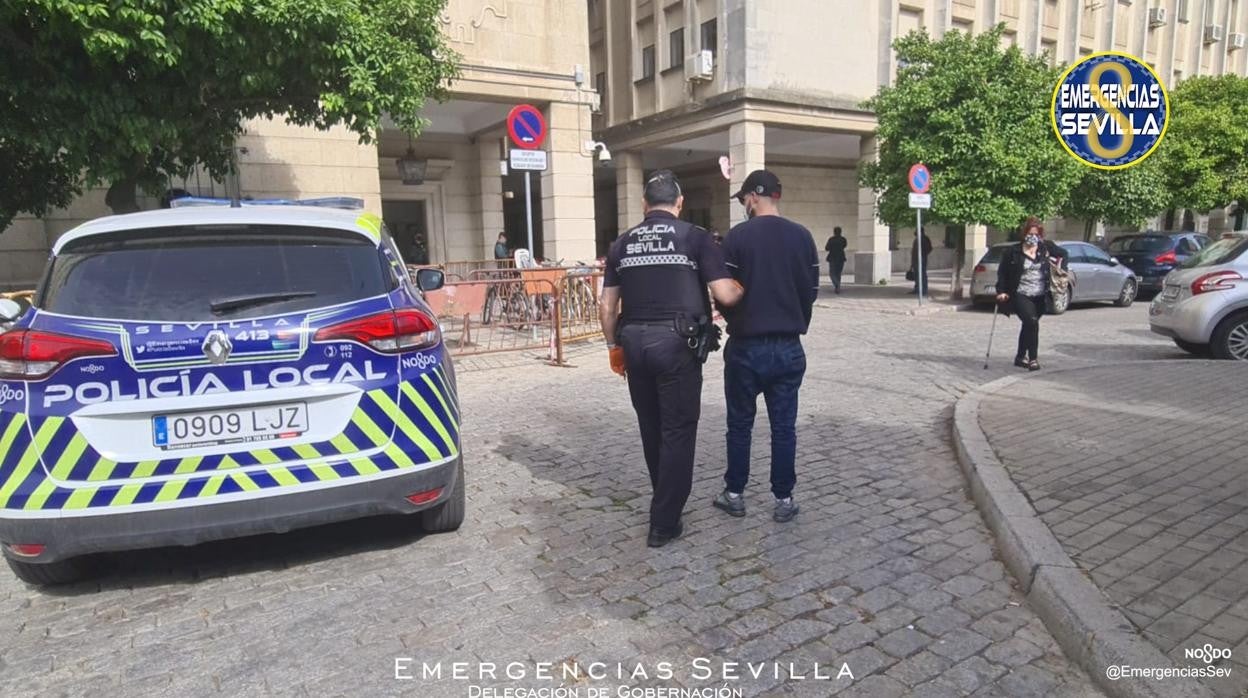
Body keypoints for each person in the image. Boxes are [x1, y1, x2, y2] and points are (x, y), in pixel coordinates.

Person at [598, 170, 744, 548]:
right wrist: (744, 288)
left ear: (645, 205)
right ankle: (664, 521)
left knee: (652, 427)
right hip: (677, 346)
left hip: (633, 345)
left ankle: (663, 498)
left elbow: (607, 306)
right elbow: (725, 295)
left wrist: (613, 346)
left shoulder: (621, 244)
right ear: (678, 204)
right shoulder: (695, 238)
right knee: (678, 431)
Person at [714, 170, 819, 523]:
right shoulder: (802, 237)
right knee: (784, 426)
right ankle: (784, 498)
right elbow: (811, 292)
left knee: (740, 424)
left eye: (744, 198)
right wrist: (795, 318)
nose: (744, 204)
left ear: (755, 196)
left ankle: (735, 493)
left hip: (745, 346)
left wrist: (734, 316)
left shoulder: (738, 238)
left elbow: (724, 293)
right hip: (789, 346)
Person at [995, 218, 1068, 371]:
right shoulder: (1013, 251)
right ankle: (1033, 359)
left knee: (1028, 325)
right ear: (1024, 233)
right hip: (1021, 294)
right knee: (1032, 323)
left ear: (1040, 235)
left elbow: (1064, 254)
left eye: (1036, 234)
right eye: (1030, 233)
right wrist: (1001, 291)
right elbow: (1003, 272)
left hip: (1041, 295)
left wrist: (1062, 270)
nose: (1033, 237)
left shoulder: (1045, 248)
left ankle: (1020, 356)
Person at [825, 226, 848, 293]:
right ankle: (838, 286)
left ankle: (836, 285)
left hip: (832, 258)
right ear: (840, 232)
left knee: (832, 273)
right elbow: (845, 245)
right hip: (841, 258)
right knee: (838, 273)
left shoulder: (831, 239)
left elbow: (826, 248)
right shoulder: (843, 239)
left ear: (834, 232)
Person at [910, 228, 933, 296]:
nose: (915, 232)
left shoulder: (924, 238)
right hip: (915, 259)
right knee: (916, 274)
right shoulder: (917, 239)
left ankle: (924, 290)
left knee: (922, 274)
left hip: (921, 259)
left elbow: (929, 248)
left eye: (916, 231)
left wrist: (923, 255)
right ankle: (917, 289)